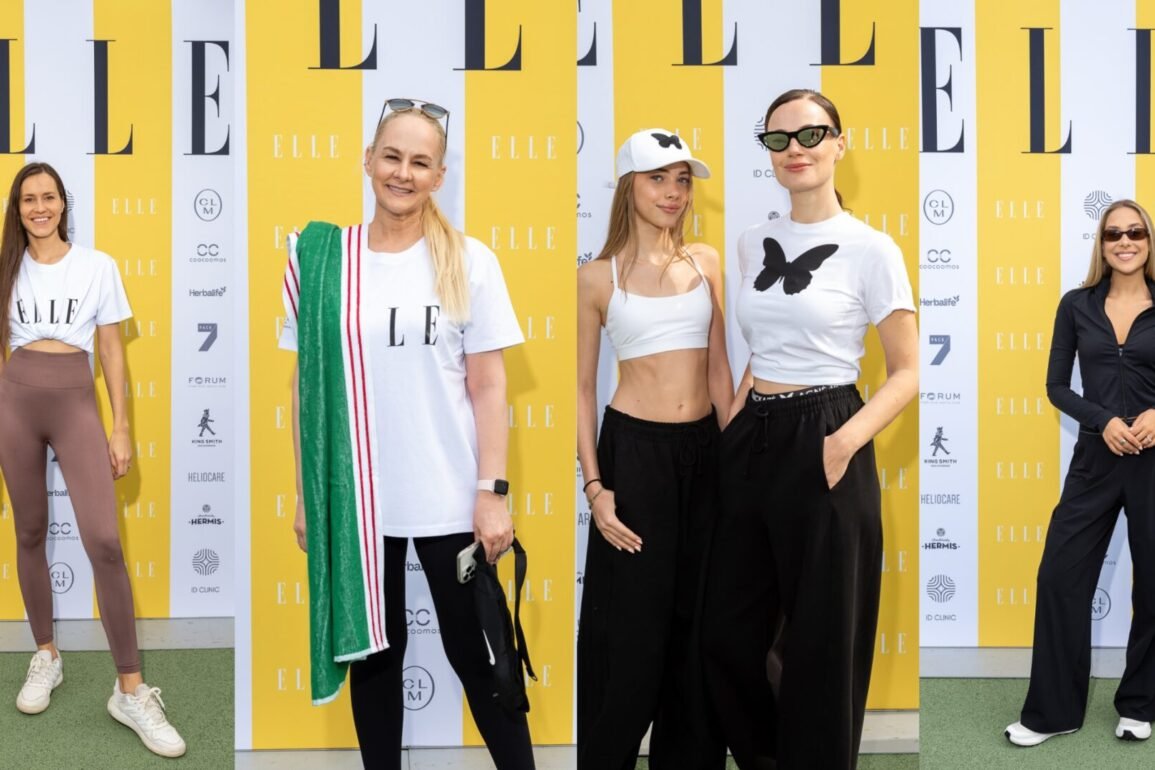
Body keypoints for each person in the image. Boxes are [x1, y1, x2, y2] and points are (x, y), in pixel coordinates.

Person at [281, 99, 534, 770]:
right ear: (368, 160)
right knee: (374, 660)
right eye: (391, 156)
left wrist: (492, 492)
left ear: (439, 175)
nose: (403, 172)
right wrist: (308, 495)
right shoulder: (322, 259)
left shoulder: (470, 260)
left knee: (479, 656)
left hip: (449, 496)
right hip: (357, 502)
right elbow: (305, 388)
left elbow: (489, 387)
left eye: (420, 162)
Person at [702, 89, 918, 769]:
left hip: (827, 431)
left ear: (839, 144)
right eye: (778, 139)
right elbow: (763, 346)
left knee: (822, 644)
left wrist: (842, 442)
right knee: (728, 635)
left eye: (810, 135)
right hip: (753, 435)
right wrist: (737, 421)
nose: (794, 149)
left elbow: (907, 372)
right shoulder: (751, 242)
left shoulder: (871, 248)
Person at [0, 161, 186, 758]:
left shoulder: (97, 265)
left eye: (48, 197)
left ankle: (129, 689)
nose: (39, 208)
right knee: (29, 531)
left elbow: (111, 350)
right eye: (28, 199)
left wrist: (121, 426)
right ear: (17, 209)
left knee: (104, 540)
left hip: (77, 404)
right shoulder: (6, 267)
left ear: (63, 204)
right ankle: (46, 654)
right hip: (14, 405)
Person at [576, 129, 731, 770]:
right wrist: (595, 488)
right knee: (632, 632)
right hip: (634, 457)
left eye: (682, 180)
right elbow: (582, 390)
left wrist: (738, 465)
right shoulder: (597, 277)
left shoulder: (707, 261)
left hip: (706, 454)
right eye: (658, 178)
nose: (673, 192)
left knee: (698, 626)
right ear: (628, 186)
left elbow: (719, 370)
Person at [1005, 198, 1155, 747]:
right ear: (1102, 243)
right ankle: (1053, 712)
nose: (1125, 241)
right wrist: (1103, 420)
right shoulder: (1077, 305)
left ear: (1148, 240)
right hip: (1095, 458)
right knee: (1059, 577)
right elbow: (1056, 386)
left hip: (1153, 460)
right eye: (1114, 233)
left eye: (1135, 232)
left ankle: (1140, 705)